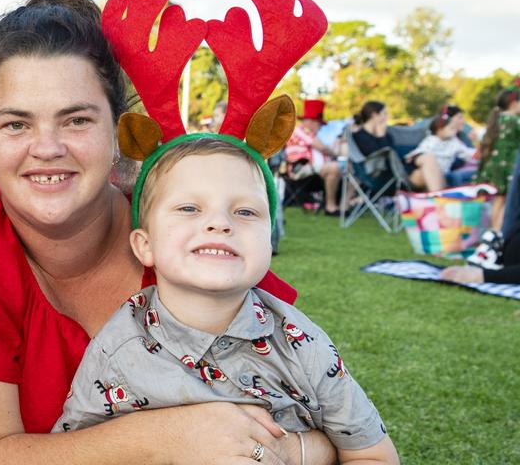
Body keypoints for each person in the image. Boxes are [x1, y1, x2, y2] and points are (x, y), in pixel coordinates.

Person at [0, 0, 337, 464]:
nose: (47, 147)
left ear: (119, 133)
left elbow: (330, 429)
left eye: (77, 120)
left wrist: (284, 450)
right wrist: (167, 438)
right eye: (16, 124)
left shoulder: (187, 233)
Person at [54, 135, 398, 464]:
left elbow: (372, 454)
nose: (219, 223)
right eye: (189, 207)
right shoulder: (115, 351)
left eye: (246, 212)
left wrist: (295, 454)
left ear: (269, 243)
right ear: (145, 245)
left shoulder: (303, 345)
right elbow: (75, 452)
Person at [464, 89, 520, 269]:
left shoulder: (496, 119)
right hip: (507, 166)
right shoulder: (514, 121)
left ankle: (492, 234)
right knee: (506, 203)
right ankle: (498, 235)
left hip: (495, 166)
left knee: (497, 201)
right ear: (514, 103)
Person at [284, 99, 346, 215]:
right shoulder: (299, 131)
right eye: (319, 123)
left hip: (314, 172)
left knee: (342, 169)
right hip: (300, 170)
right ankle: (330, 207)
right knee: (334, 168)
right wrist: (335, 153)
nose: (320, 127)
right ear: (311, 121)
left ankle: (340, 206)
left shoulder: (313, 135)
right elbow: (323, 148)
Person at [407, 105, 475, 191]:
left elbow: (469, 153)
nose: (453, 129)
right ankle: (437, 195)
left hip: (441, 177)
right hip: (421, 169)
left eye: (454, 128)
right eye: (450, 128)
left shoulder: (455, 142)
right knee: (427, 160)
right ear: (439, 129)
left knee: (428, 165)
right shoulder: (431, 140)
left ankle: (437, 195)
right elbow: (418, 155)